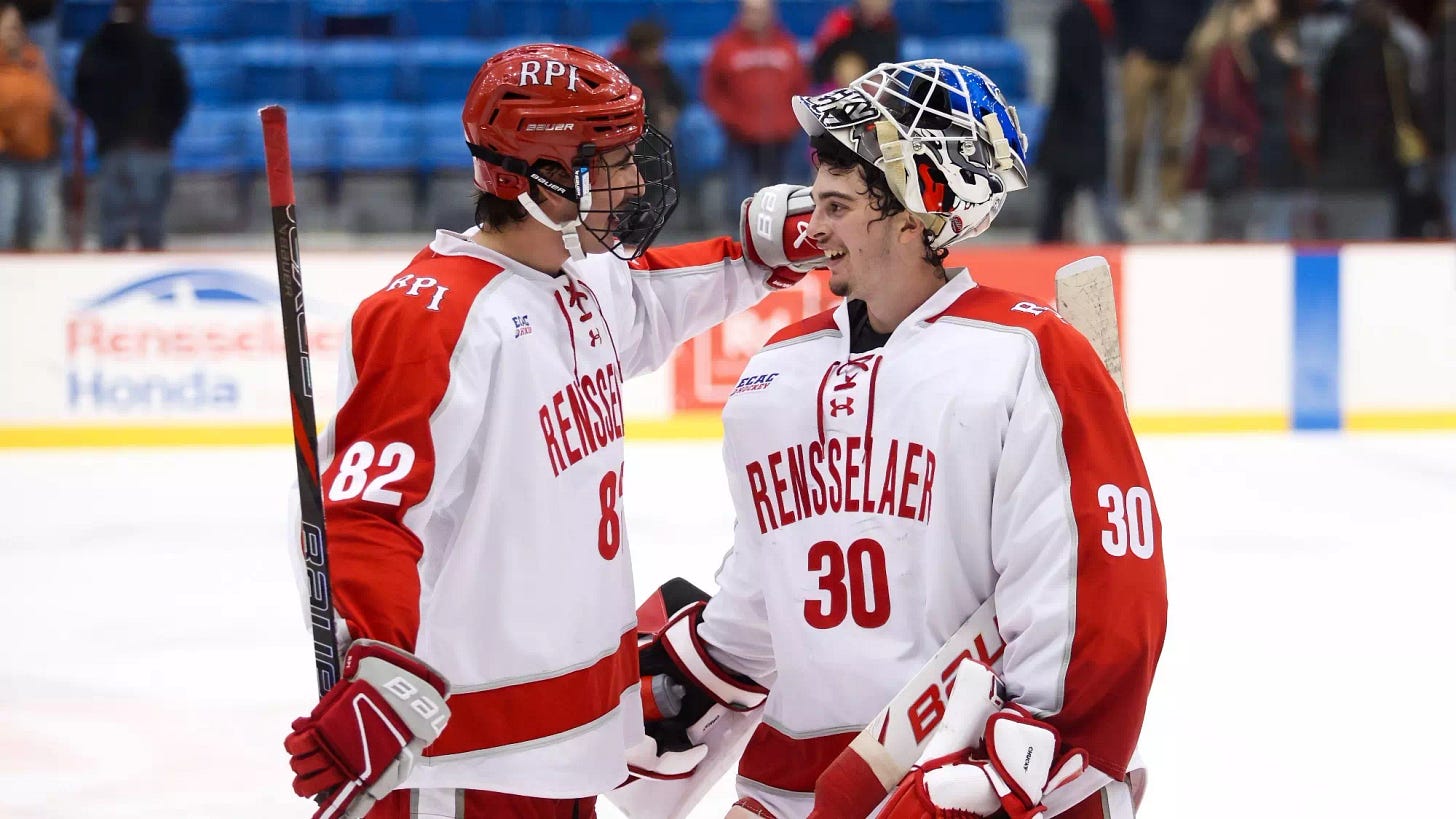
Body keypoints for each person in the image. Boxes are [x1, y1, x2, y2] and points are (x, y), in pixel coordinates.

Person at [280, 43, 824, 819]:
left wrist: (762, 256)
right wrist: (382, 666)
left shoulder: (580, 279)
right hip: (465, 765)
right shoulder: (430, 316)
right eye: (612, 162)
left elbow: (660, 295)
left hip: (568, 751)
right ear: (541, 181)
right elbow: (368, 514)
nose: (634, 182)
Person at [636, 60, 1167, 819]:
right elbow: (771, 576)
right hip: (794, 789)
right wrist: (696, 672)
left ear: (918, 213)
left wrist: (1018, 763)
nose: (811, 230)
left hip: (957, 778)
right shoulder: (774, 375)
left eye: (839, 206)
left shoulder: (1024, 357)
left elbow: (1087, 590)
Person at [73, 0, 188, 251]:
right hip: (146, 148)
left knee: (116, 231)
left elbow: (83, 94)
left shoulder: (96, 48)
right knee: (148, 230)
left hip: (120, 147)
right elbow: (179, 97)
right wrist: (160, 134)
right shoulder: (159, 49)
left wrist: (107, 130)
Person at [702, 0, 810, 224]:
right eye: (751, 12)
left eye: (761, 12)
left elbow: (801, 88)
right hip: (740, 137)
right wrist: (733, 120)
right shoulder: (725, 47)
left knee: (786, 200)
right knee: (738, 203)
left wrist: (789, 122)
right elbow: (712, 91)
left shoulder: (787, 46)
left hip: (783, 138)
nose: (756, 17)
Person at [1035, 0, 1127, 243]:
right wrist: (1094, 112)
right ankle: (1116, 240)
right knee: (1079, 190)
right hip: (1076, 123)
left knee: (1061, 194)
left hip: (1075, 124)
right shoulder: (1077, 16)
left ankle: (1050, 240)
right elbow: (1075, 75)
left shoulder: (1096, 14)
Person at [0, 0, 62, 250]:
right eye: (7, 27)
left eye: (17, 27)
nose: (13, 33)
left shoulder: (35, 62)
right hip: (5, 162)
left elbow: (51, 104)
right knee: (4, 229)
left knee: (39, 232)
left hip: (39, 159)